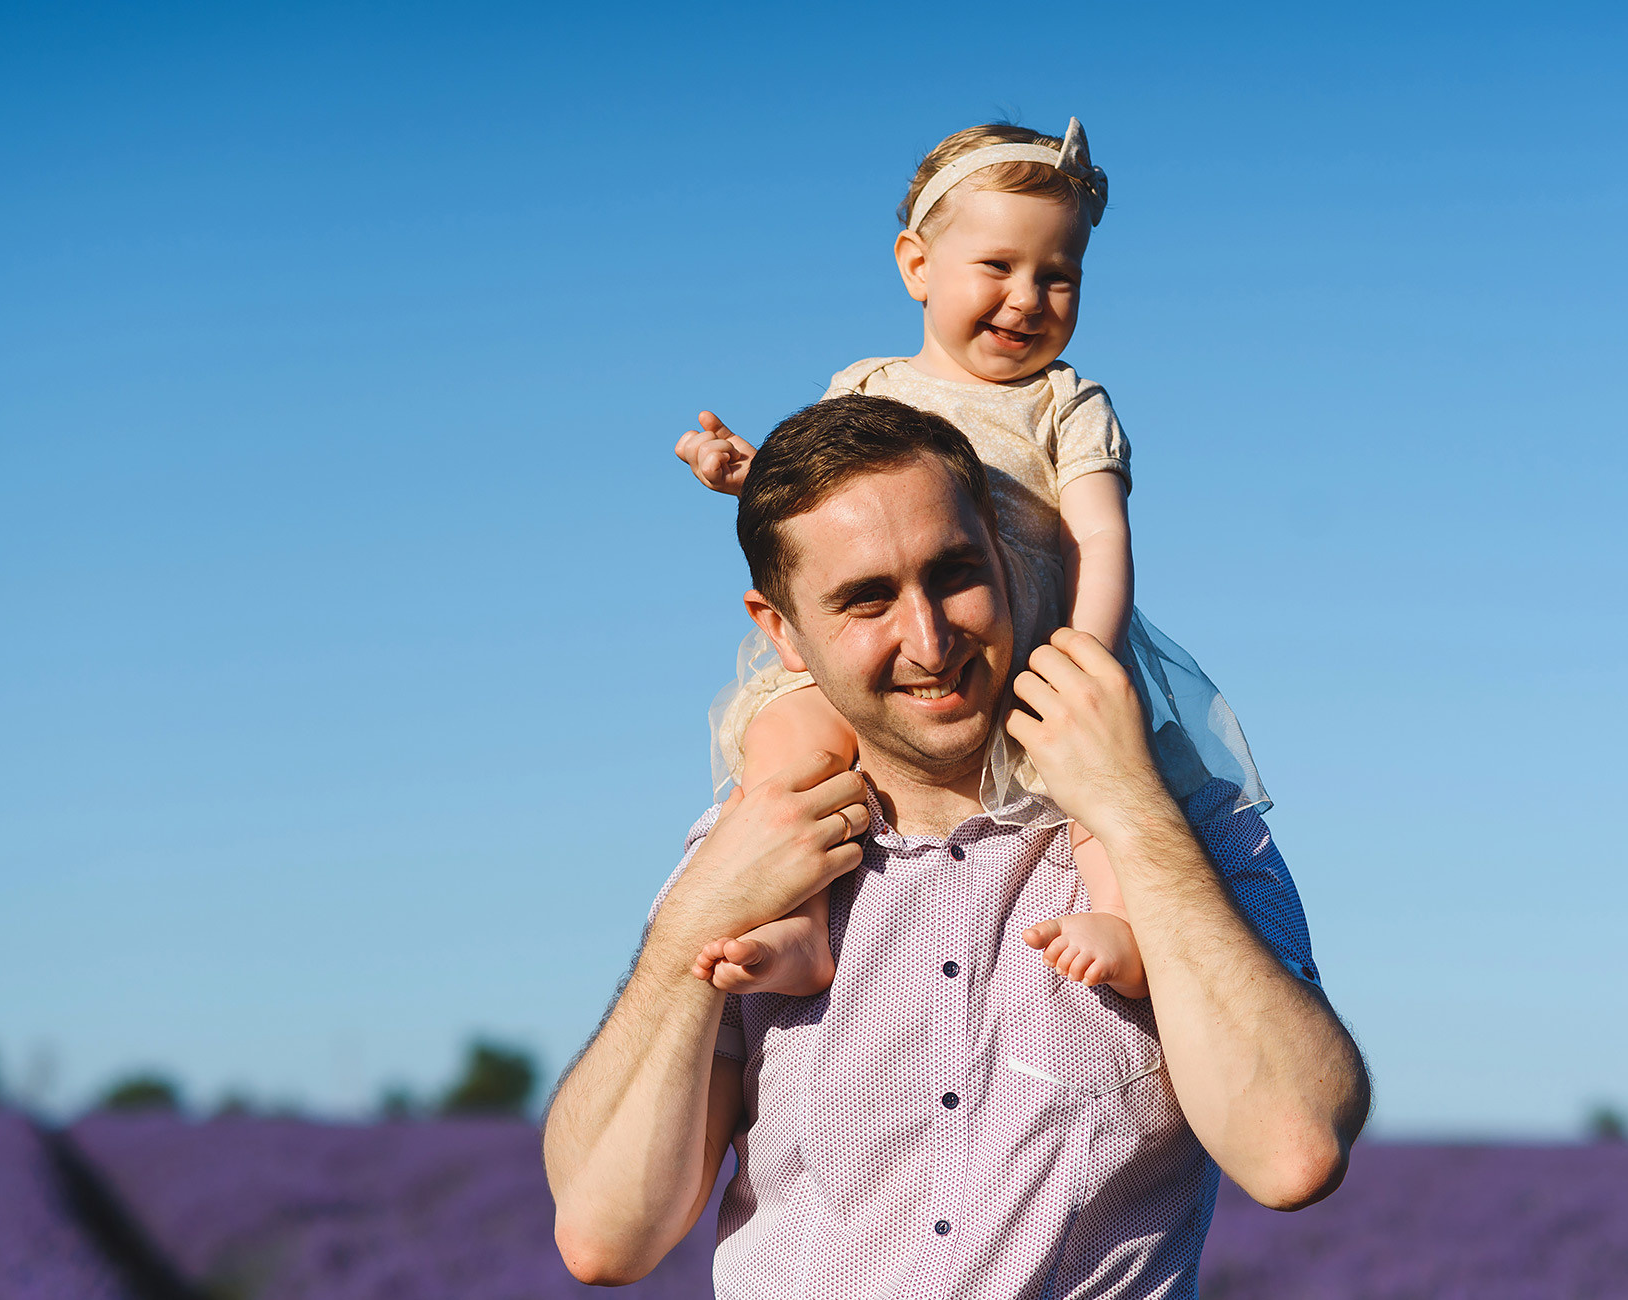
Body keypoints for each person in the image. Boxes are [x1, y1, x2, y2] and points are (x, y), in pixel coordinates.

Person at [543, 396, 1370, 1297]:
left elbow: (1295, 1148)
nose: (931, 640)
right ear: (779, 629)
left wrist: (1129, 806)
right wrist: (691, 926)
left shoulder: (1186, 828)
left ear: (1008, 567)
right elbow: (605, 1235)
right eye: (867, 600)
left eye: (955, 573)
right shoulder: (756, 860)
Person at [674, 117, 1266, 1004]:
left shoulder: (1068, 403)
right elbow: (823, 504)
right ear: (917, 265)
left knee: (1093, 781)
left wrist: (1085, 652)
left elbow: (1098, 534)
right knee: (789, 739)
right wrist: (750, 475)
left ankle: (1127, 922)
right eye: (998, 267)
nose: (1028, 298)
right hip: (900, 653)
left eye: (1057, 276)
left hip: (1028, 645)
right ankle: (797, 924)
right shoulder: (868, 387)